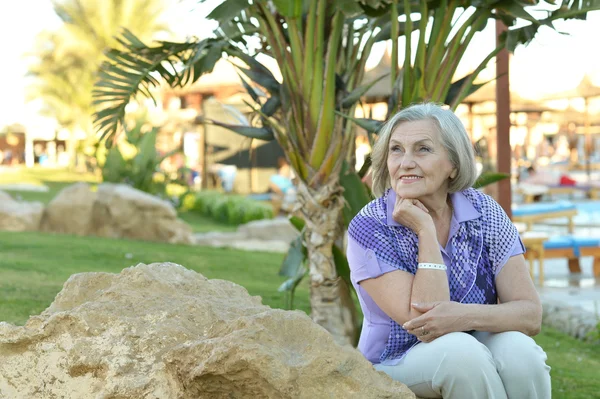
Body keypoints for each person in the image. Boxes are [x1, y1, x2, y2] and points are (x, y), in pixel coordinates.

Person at [347, 103, 550, 399]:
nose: (405, 162)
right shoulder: (370, 227)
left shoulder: (485, 212)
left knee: (521, 354)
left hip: (473, 342)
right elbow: (427, 325)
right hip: (394, 360)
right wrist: (425, 232)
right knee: (460, 355)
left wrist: (463, 316)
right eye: (396, 150)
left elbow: (529, 314)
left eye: (422, 149)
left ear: (453, 164)